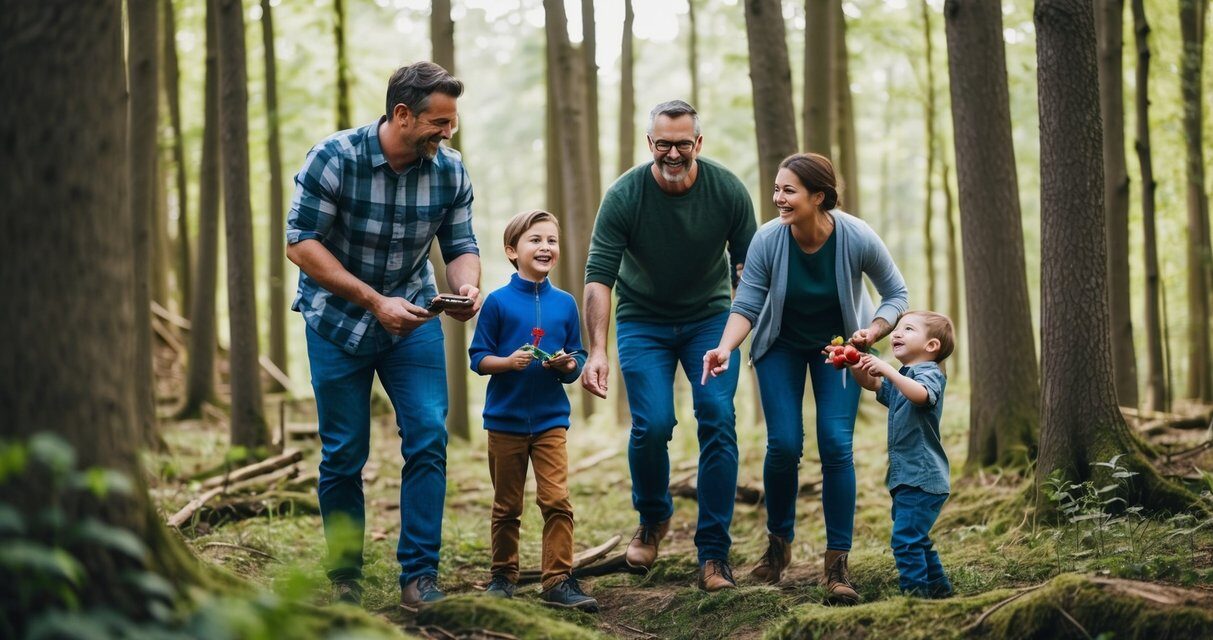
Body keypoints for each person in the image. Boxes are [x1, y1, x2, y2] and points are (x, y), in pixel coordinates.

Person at [285, 61, 480, 610]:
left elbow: (461, 246)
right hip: (336, 321)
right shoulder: (334, 158)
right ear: (401, 114)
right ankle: (345, 576)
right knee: (344, 452)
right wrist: (373, 301)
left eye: (452, 123)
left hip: (413, 321)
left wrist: (466, 291)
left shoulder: (450, 171)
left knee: (428, 435)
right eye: (439, 123)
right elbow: (299, 243)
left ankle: (419, 576)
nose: (448, 133)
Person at [703, 152, 908, 604]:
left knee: (837, 446)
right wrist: (725, 346)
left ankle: (837, 566)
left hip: (839, 351)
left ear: (819, 196)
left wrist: (872, 331)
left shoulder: (855, 236)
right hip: (781, 348)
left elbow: (896, 293)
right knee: (784, 445)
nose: (778, 198)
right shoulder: (767, 240)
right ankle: (778, 547)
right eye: (776, 189)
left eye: (788, 190)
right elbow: (748, 304)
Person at [581, 100, 757, 591]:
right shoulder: (624, 195)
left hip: (711, 320)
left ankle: (714, 553)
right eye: (664, 144)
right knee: (652, 423)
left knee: (717, 418)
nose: (673, 153)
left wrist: (736, 335)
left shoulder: (727, 191)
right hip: (644, 321)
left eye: (683, 143)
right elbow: (599, 278)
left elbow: (749, 273)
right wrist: (597, 350)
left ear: (698, 143)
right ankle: (654, 517)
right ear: (650, 144)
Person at [468, 209, 598, 612]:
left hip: (550, 422)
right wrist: (508, 363)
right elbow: (478, 358)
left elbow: (576, 355)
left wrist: (567, 364)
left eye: (551, 241)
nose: (545, 247)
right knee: (507, 504)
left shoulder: (566, 304)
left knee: (556, 499)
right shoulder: (497, 303)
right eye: (535, 240)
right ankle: (503, 577)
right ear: (512, 250)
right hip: (504, 422)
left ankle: (558, 579)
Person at [848, 311, 955, 599]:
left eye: (908, 329)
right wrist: (854, 361)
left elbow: (922, 395)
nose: (896, 334)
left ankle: (914, 597)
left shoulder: (929, 373)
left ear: (931, 346)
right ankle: (940, 591)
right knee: (917, 540)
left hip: (923, 477)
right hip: (907, 478)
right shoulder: (904, 378)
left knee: (905, 541)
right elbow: (873, 385)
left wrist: (888, 370)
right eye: (897, 329)